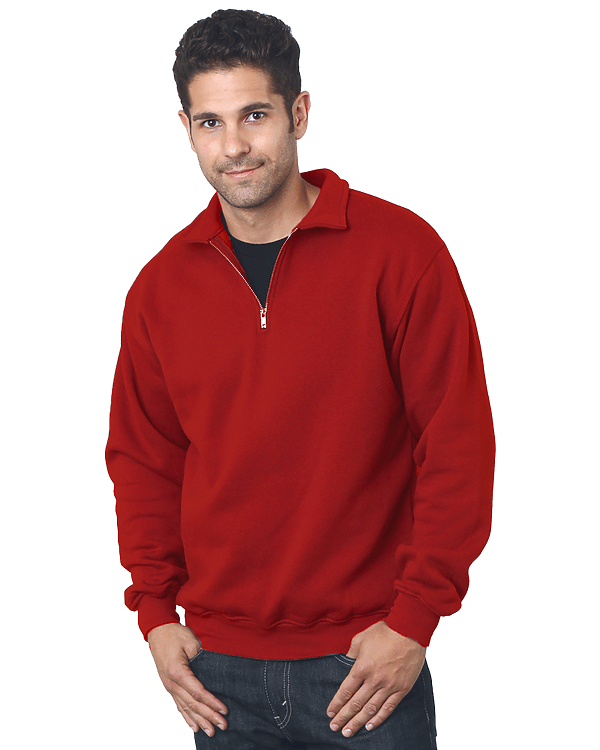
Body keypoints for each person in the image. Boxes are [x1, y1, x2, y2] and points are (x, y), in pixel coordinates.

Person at [105, 9, 495, 749]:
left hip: (365, 665)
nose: (234, 146)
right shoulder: (159, 289)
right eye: (210, 123)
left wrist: (415, 619)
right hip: (217, 674)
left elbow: (456, 442)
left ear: (299, 113)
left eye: (254, 115)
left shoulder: (400, 253)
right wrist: (154, 614)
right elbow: (146, 462)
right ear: (186, 128)